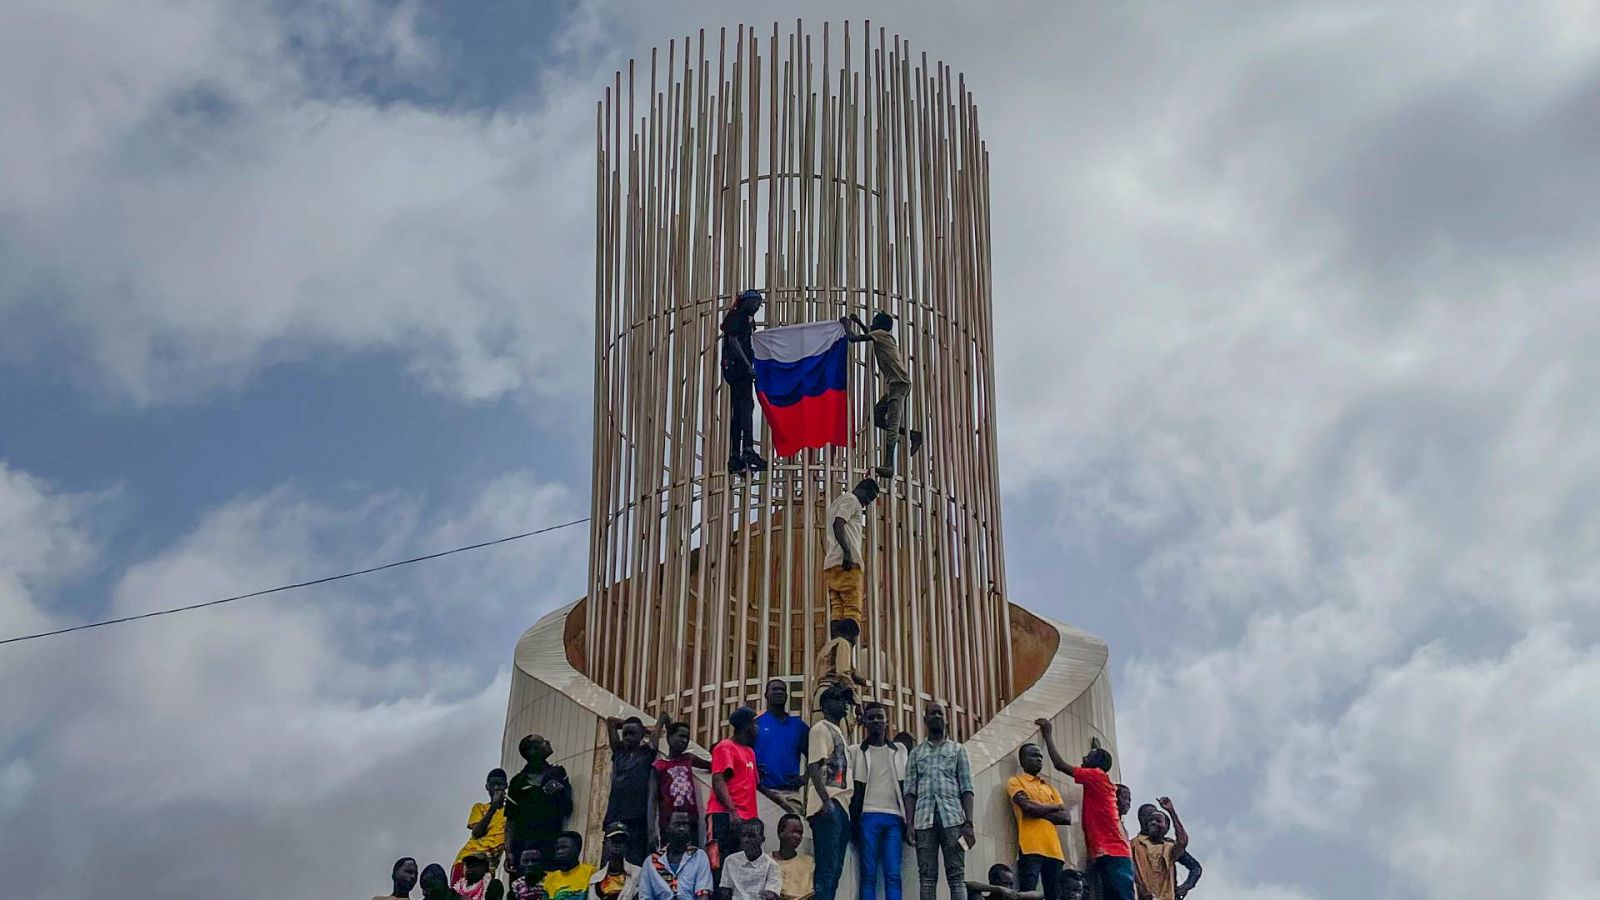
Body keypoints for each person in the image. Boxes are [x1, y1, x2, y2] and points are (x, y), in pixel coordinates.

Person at [1033, 721, 1132, 900]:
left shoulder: (1096, 776)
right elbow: (1100, 763)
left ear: (1096, 765)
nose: (1083, 758)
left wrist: (1048, 735)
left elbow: (1059, 765)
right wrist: (1097, 750)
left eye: (1088, 756)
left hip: (1114, 854)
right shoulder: (1099, 779)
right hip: (1107, 854)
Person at [904, 702, 974, 900]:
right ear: (925, 719)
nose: (936, 717)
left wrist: (969, 823)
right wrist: (909, 824)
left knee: (956, 876)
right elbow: (909, 792)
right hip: (923, 821)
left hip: (954, 821)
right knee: (926, 878)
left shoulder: (958, 750)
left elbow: (967, 788)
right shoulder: (916, 753)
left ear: (947, 719)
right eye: (932, 714)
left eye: (940, 714)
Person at [840, 312, 922, 478]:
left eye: (873, 321)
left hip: (899, 384)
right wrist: (859, 322)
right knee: (876, 417)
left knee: (892, 424)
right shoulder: (883, 336)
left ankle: (889, 465)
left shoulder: (880, 334)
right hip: (896, 384)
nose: (871, 323)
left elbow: (854, 339)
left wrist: (846, 324)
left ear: (879, 324)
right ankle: (913, 435)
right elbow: (869, 334)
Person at [818, 478, 881, 688]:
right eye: (869, 498)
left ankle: (836, 663)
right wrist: (847, 553)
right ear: (862, 489)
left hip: (831, 565)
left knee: (838, 613)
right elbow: (839, 523)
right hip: (848, 563)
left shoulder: (839, 501)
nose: (867, 504)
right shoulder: (852, 500)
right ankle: (846, 667)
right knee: (853, 614)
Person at [849, 702, 909, 900]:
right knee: (869, 873)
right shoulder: (856, 751)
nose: (876, 721)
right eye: (872, 717)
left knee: (893, 873)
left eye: (880, 717)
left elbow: (908, 787)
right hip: (867, 817)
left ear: (886, 721)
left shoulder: (899, 751)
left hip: (894, 818)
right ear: (865, 722)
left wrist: (910, 821)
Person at [805, 682, 855, 900]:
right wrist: (825, 801)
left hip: (842, 806)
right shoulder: (820, 729)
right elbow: (814, 766)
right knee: (826, 869)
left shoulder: (840, 732)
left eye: (845, 700)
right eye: (838, 699)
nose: (844, 704)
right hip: (830, 804)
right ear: (825, 705)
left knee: (835, 870)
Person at [1006, 744, 1070, 900]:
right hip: (1030, 847)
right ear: (1022, 760)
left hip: (1055, 850)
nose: (1039, 759)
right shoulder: (1016, 781)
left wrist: (1038, 810)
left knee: (1053, 895)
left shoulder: (1050, 788)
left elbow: (1066, 817)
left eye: (1041, 756)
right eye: (1034, 756)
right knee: (1028, 893)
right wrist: (1054, 807)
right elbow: (1027, 807)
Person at [507, 734, 574, 878]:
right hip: (523, 848)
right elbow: (510, 820)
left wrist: (561, 789)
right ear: (532, 751)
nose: (548, 741)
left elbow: (568, 809)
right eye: (543, 742)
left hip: (549, 846)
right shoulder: (517, 782)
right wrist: (509, 851)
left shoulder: (558, 773)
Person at [708, 707, 762, 879]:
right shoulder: (725, 747)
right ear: (747, 726)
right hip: (725, 816)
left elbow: (757, 785)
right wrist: (732, 811)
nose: (758, 729)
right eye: (755, 724)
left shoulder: (750, 752)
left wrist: (784, 803)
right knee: (720, 867)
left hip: (746, 820)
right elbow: (719, 780)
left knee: (741, 872)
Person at [721, 289, 768, 475]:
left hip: (734, 368)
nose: (757, 306)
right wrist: (748, 365)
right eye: (756, 302)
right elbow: (733, 341)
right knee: (746, 407)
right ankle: (747, 449)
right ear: (747, 302)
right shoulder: (738, 316)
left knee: (739, 412)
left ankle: (735, 457)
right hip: (737, 368)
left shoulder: (741, 318)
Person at [606, 716, 661, 864]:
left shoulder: (646, 752)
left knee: (635, 861)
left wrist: (649, 728)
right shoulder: (619, 752)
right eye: (625, 733)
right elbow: (610, 722)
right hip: (615, 815)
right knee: (611, 861)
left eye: (632, 733)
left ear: (642, 736)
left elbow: (659, 725)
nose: (627, 738)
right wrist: (626, 724)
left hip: (637, 817)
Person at [754, 679, 810, 816]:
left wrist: (804, 778)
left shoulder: (798, 726)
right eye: (775, 689)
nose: (779, 692)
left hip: (790, 794)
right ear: (766, 695)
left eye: (782, 690)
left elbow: (816, 757)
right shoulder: (755, 725)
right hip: (761, 792)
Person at [654, 717, 712, 847]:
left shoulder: (689, 758)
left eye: (687, 737)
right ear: (669, 738)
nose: (684, 741)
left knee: (692, 855)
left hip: (690, 820)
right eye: (681, 736)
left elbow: (712, 766)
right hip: (668, 822)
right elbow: (654, 798)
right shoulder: (659, 766)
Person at [639, 810, 715, 900]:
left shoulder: (699, 856)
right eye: (677, 825)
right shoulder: (651, 861)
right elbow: (645, 896)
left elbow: (703, 893)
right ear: (667, 827)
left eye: (685, 825)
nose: (681, 829)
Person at [455, 769, 510, 882]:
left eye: (499, 784)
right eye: (492, 784)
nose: (495, 788)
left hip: (488, 866)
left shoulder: (511, 812)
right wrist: (493, 807)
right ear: (487, 787)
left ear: (506, 786)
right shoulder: (479, 808)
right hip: (466, 860)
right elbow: (477, 833)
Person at [1130, 800, 1190, 900]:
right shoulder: (1135, 844)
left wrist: (1171, 812)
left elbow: (1182, 842)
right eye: (1151, 820)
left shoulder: (1169, 848)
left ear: (1166, 828)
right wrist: (1142, 891)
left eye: (1158, 820)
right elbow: (1131, 869)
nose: (1153, 822)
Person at [721, 817, 782, 900]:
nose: (746, 840)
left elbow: (771, 895)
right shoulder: (730, 861)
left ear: (762, 839)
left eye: (752, 836)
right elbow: (725, 892)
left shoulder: (771, 865)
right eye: (743, 836)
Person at [589, 823, 643, 900]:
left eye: (621, 841)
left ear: (626, 846)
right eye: (613, 840)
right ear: (604, 844)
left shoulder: (638, 875)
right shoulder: (595, 880)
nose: (617, 845)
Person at [770, 814, 815, 900]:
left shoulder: (808, 862)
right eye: (794, 832)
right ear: (780, 832)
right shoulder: (766, 861)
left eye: (800, 833)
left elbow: (811, 895)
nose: (798, 837)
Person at [544, 832, 599, 900]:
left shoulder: (590, 872)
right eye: (557, 848)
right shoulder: (550, 878)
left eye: (564, 847)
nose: (559, 851)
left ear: (578, 849)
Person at [963, 864, 1041, 900]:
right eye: (1005, 884)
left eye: (1011, 885)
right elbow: (967, 885)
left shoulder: (1013, 897)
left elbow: (1040, 895)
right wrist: (1000, 889)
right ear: (993, 883)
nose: (1009, 888)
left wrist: (1018, 895)